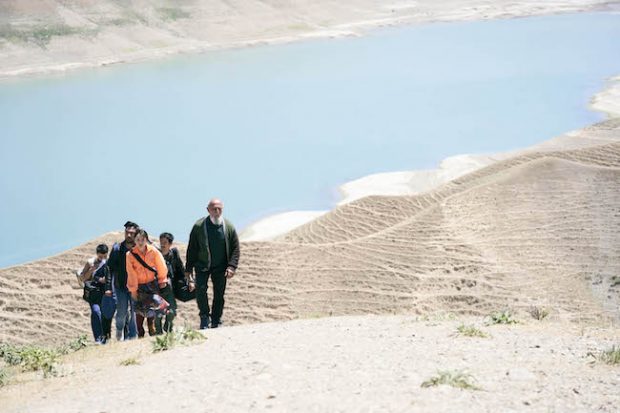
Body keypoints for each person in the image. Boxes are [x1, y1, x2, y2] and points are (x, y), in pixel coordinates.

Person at [186, 198, 240, 329]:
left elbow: (235, 248)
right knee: (201, 290)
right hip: (202, 265)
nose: (217, 211)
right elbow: (192, 248)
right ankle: (204, 317)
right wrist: (188, 270)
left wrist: (232, 266)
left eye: (219, 209)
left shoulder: (229, 227)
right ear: (208, 210)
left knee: (219, 294)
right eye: (214, 209)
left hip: (221, 267)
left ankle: (216, 320)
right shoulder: (199, 226)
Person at [126, 229, 170, 325]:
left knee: (156, 303)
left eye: (142, 239)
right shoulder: (130, 255)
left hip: (152, 284)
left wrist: (162, 280)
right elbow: (131, 273)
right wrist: (133, 290)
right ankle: (140, 332)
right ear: (134, 241)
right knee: (139, 309)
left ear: (146, 240)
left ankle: (152, 326)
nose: (140, 242)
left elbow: (161, 265)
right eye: (138, 240)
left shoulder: (153, 251)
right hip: (139, 286)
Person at [107, 221, 139, 341]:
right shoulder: (117, 249)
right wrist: (108, 287)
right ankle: (119, 331)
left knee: (134, 312)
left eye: (132, 233)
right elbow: (109, 268)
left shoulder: (139, 248)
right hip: (121, 287)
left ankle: (132, 336)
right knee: (122, 312)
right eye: (127, 233)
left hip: (135, 286)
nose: (129, 235)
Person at [78, 244, 108, 343]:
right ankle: (98, 339)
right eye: (100, 257)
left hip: (105, 293)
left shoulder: (108, 262)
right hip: (93, 293)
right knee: (96, 312)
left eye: (105, 257)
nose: (102, 259)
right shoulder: (90, 262)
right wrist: (91, 270)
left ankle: (105, 338)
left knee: (105, 315)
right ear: (97, 254)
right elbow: (82, 278)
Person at [156, 232, 183, 333]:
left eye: (165, 242)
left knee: (172, 311)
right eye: (161, 242)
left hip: (170, 288)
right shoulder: (155, 255)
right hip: (157, 287)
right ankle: (158, 335)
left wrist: (188, 282)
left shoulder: (174, 255)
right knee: (157, 313)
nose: (162, 245)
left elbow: (180, 269)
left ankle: (168, 328)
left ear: (170, 244)